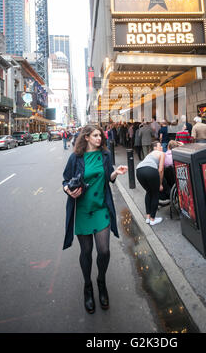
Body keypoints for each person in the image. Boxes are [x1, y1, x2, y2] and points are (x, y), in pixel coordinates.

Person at [62, 125, 128, 314]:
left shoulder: (105, 155)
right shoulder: (76, 157)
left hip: (101, 208)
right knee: (86, 251)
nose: (100, 138)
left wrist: (117, 172)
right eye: (96, 135)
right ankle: (87, 286)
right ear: (87, 137)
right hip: (83, 209)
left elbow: (108, 176)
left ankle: (101, 281)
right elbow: (65, 180)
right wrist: (69, 190)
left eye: (101, 135)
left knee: (104, 251)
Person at [136, 141, 165, 226]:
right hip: (151, 170)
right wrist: (160, 184)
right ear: (155, 147)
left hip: (139, 170)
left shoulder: (149, 154)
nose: (162, 147)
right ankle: (153, 219)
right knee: (155, 194)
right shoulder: (161, 153)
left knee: (149, 192)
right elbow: (161, 169)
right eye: (160, 146)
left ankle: (148, 217)